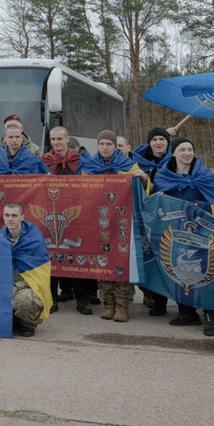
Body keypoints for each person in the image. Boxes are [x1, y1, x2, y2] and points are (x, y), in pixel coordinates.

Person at [154, 138, 214, 334]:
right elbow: (157, 200)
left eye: (190, 149)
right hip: (175, 230)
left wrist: (198, 208)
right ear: (173, 153)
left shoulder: (204, 175)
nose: (187, 153)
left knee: (206, 271)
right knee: (179, 269)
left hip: (202, 229)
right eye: (182, 149)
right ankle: (186, 312)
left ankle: (210, 316)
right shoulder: (163, 175)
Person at [82, 130, 148, 322]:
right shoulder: (90, 166)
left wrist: (143, 179)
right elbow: (82, 191)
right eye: (101, 143)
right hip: (99, 220)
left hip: (122, 221)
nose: (105, 147)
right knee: (102, 262)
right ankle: (108, 302)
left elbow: (142, 189)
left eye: (109, 144)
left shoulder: (128, 165)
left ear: (115, 146)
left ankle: (122, 304)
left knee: (121, 261)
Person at [0, 202, 53, 337]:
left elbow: (40, 276)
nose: (10, 219)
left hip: (28, 287)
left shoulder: (33, 238)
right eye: (7, 215)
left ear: (22, 217)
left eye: (14, 215)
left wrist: (17, 287)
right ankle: (12, 319)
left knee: (25, 300)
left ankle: (27, 324)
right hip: (5, 285)